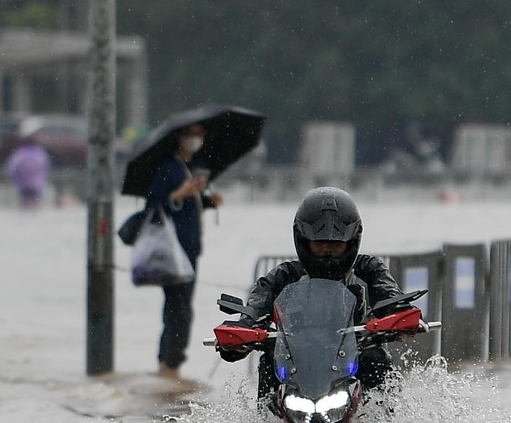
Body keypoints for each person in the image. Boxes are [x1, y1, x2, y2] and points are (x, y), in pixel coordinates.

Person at [220, 187, 404, 406]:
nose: (327, 251)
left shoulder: (369, 269)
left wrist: (400, 316)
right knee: (269, 361)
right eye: (319, 244)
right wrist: (243, 330)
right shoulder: (284, 275)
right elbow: (258, 303)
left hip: (353, 356)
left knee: (375, 358)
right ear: (303, 241)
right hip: (296, 361)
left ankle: (387, 421)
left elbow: (389, 295)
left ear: (352, 242)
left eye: (336, 245)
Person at [146, 122, 224, 379]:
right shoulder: (168, 168)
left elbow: (191, 205)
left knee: (182, 307)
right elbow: (155, 206)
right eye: (190, 134)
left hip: (191, 248)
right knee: (178, 308)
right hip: (172, 249)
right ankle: (169, 364)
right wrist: (180, 193)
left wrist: (208, 201)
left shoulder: (195, 167)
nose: (195, 139)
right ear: (179, 136)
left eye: (199, 134)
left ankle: (171, 363)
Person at [4, 135, 51, 209]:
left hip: (23, 184)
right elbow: (46, 167)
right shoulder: (40, 153)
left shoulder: (20, 153)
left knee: (25, 206)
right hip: (37, 184)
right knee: (35, 205)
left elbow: (12, 167)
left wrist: (13, 178)